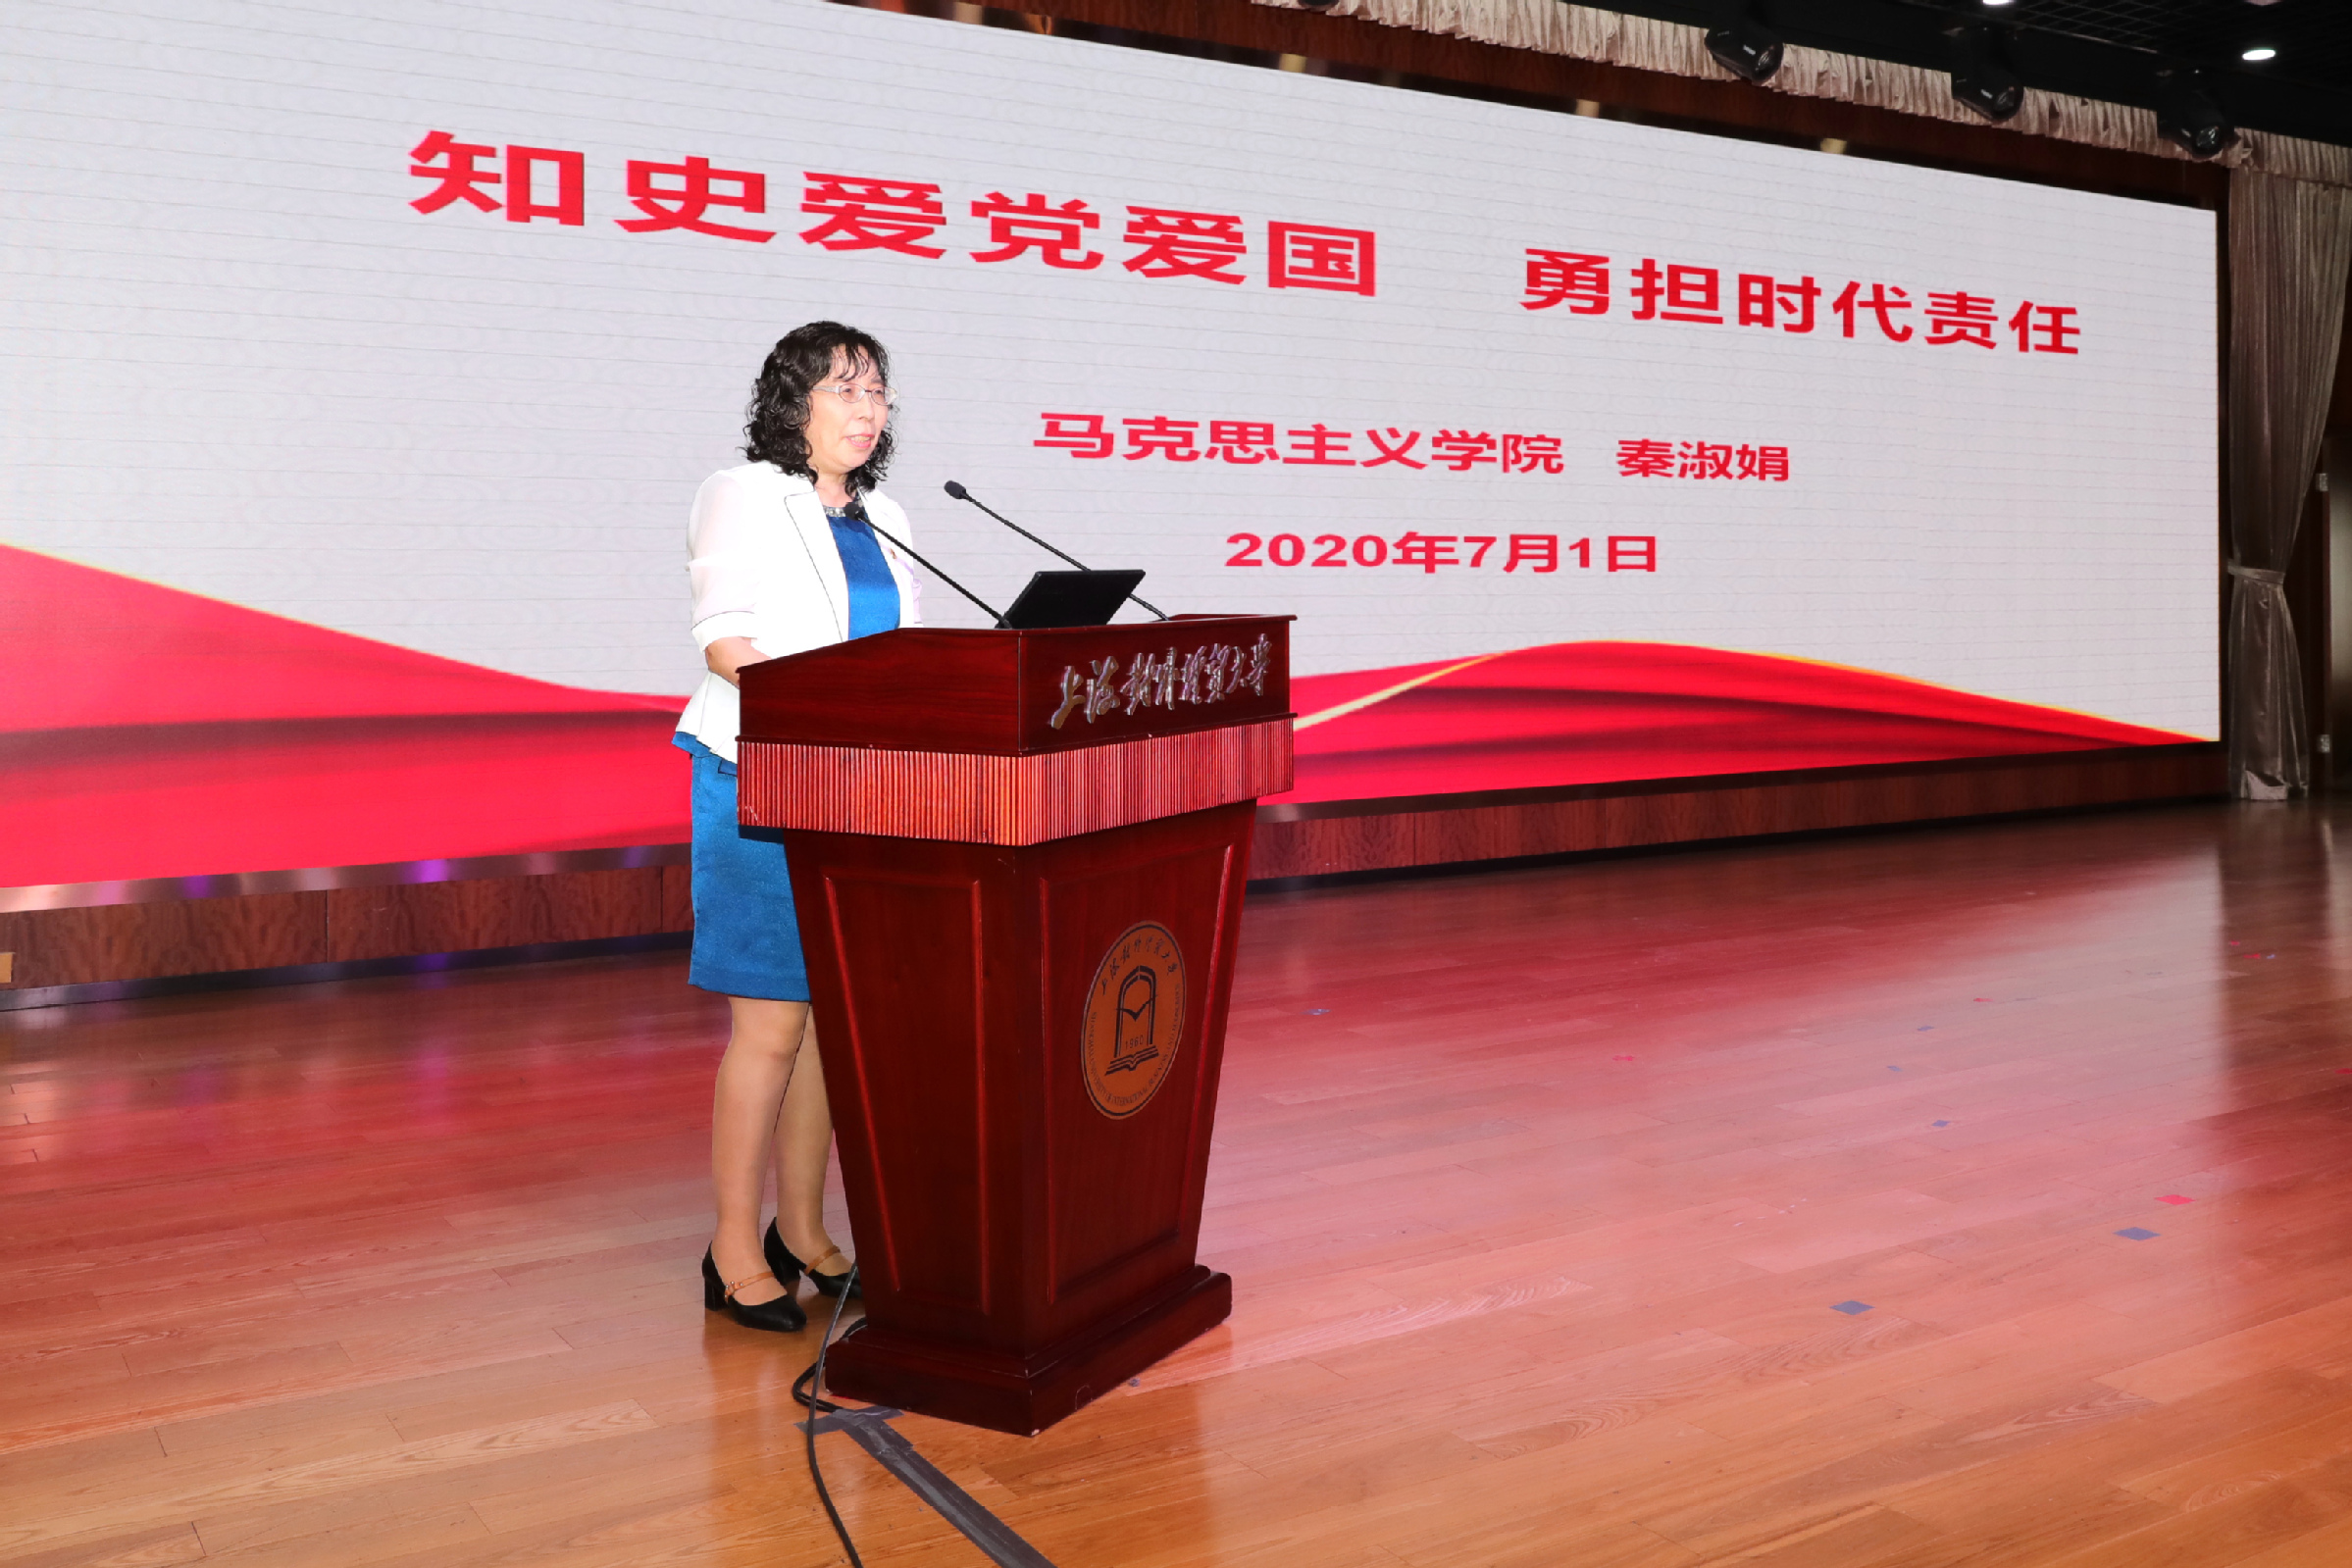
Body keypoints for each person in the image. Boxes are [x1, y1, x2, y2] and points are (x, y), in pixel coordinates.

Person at [677, 322, 921, 1333]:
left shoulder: (886, 514)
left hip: (860, 791)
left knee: (830, 1025)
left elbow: (903, 654)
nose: (867, 410)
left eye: (878, 392)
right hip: (759, 776)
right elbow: (725, 642)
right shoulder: (742, 492)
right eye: (844, 390)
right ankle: (733, 1245)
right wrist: (830, 709)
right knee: (772, 1024)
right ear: (794, 402)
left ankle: (805, 1231)